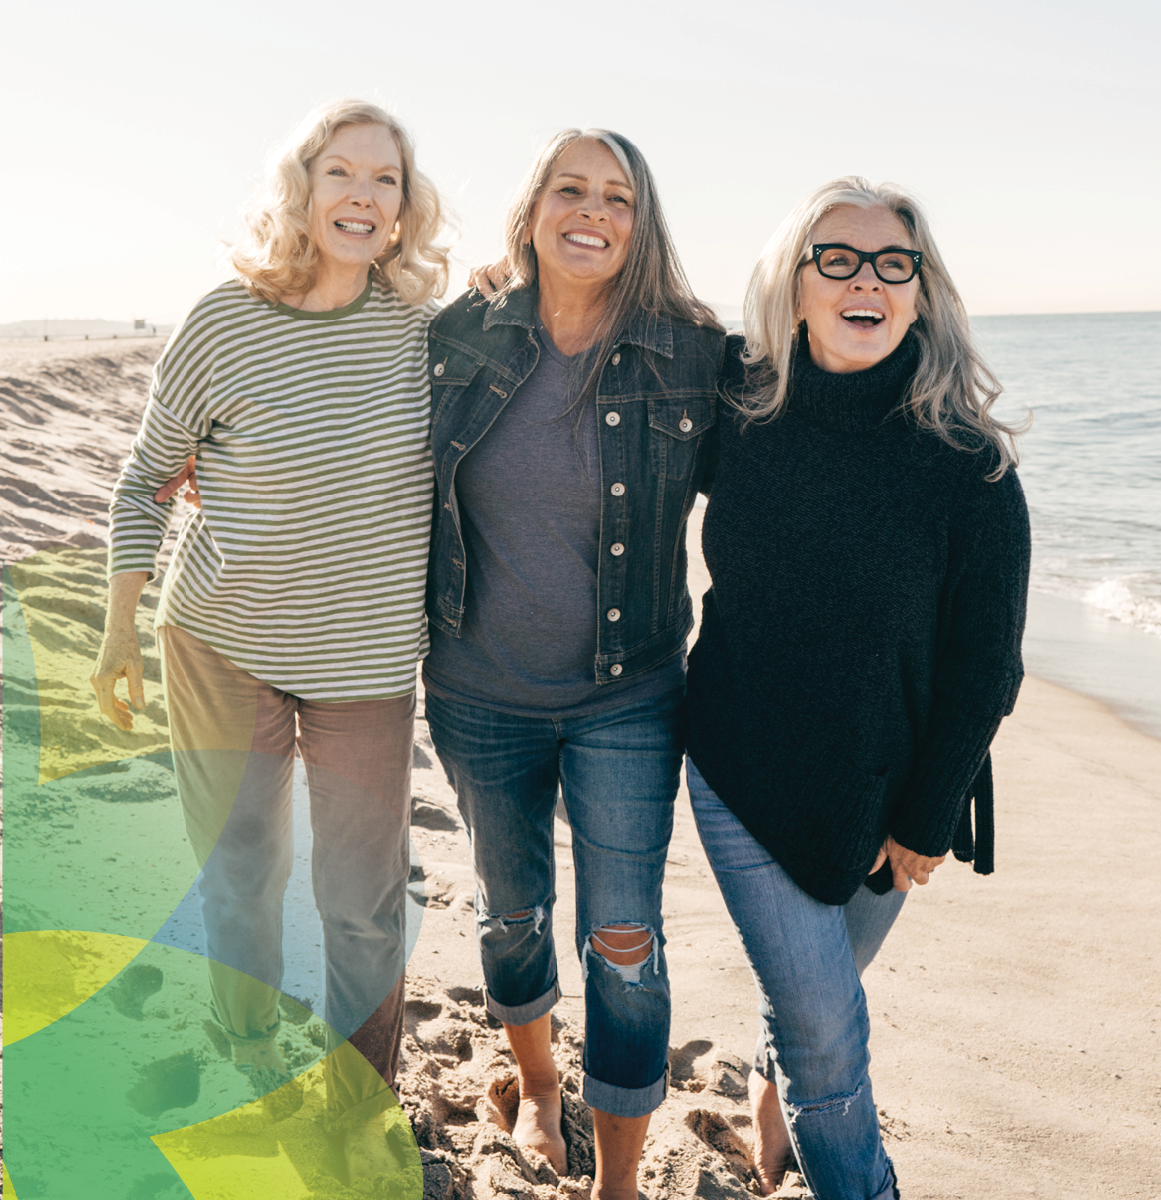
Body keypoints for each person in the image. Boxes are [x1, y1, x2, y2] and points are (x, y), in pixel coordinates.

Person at [90, 99, 448, 1181]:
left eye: (385, 180)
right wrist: (118, 631)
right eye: (341, 173)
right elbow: (147, 478)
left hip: (368, 666)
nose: (362, 197)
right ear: (301, 187)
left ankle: (357, 1101)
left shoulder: (426, 333)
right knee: (242, 871)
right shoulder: (222, 321)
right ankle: (245, 1059)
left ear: (404, 205)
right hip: (219, 643)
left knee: (363, 903)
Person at [685, 178, 1030, 1200]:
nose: (865, 279)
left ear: (923, 296)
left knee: (814, 997)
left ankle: (766, 1092)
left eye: (893, 263)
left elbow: (986, 667)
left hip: (892, 793)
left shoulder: (969, 470)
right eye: (835, 258)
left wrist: (927, 816)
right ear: (793, 288)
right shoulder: (735, 415)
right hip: (738, 763)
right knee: (828, 1035)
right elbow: (623, 347)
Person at [423, 128, 724, 1199]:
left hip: (628, 698)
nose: (592, 212)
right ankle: (540, 1085)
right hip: (475, 693)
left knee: (625, 939)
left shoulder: (694, 354)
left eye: (617, 198)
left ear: (641, 226)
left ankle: (620, 1186)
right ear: (536, 206)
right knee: (510, 915)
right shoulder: (457, 336)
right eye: (571, 189)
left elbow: (792, 478)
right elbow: (358, 431)